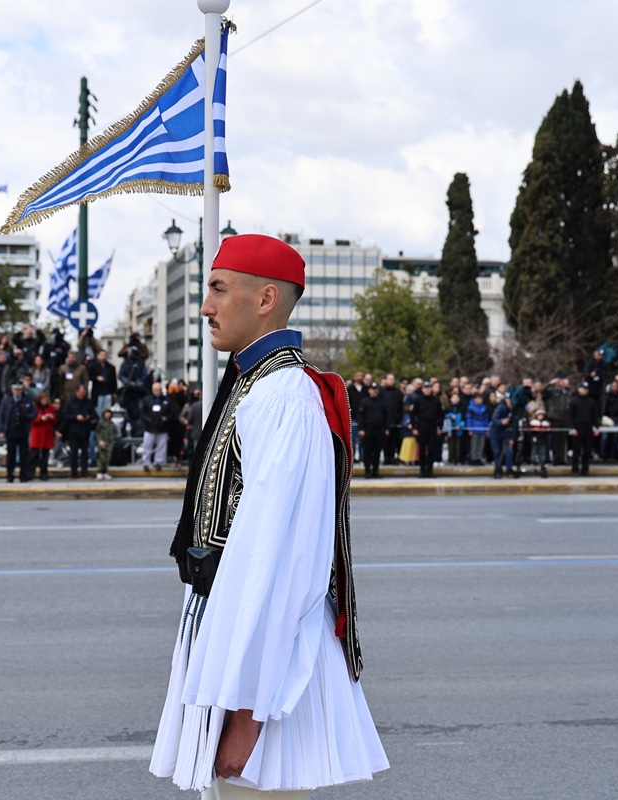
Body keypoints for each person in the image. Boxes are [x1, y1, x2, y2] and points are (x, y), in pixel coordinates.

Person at [152, 233, 387, 796]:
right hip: (234, 659)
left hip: (261, 681)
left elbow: (279, 567)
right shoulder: (253, 384)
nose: (205, 305)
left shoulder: (282, 397)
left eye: (218, 289)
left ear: (264, 300)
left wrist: (246, 713)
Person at [0, 381, 36, 483]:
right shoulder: (6, 400)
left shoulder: (27, 399)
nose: (17, 392)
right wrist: (1, 430)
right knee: (11, 454)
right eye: (15, 390)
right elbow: (1, 416)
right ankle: (10, 474)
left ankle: (24, 474)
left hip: (23, 430)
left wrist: (26, 416)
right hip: (11, 430)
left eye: (19, 390)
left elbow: (34, 413)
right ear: (12, 390)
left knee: (24, 454)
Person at [61, 383, 98, 479]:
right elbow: (64, 415)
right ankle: (74, 472)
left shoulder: (88, 402)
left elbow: (95, 415)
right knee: (73, 452)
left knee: (85, 452)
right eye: (80, 393)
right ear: (76, 392)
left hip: (85, 430)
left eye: (83, 393)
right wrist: (75, 417)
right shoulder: (69, 402)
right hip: (74, 431)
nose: (82, 395)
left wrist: (89, 417)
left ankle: (84, 471)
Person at [568, 381, 601, 476]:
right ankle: (575, 469)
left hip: (588, 427)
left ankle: (585, 469)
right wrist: (573, 428)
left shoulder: (591, 401)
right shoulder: (574, 401)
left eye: (586, 389)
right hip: (578, 427)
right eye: (583, 389)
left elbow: (595, 415)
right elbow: (570, 416)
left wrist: (597, 427)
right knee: (576, 450)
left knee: (587, 450)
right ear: (579, 389)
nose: (584, 391)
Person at [410, 380, 442, 477]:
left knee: (432, 449)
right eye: (425, 388)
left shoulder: (436, 400)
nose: (427, 390)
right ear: (422, 389)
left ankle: (430, 470)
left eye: (429, 388)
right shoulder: (418, 400)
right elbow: (413, 414)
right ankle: (422, 470)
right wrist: (414, 427)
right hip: (422, 425)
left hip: (432, 425)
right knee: (422, 449)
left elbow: (440, 414)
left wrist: (439, 427)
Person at [357, 382, 387, 478]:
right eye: (372, 389)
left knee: (377, 452)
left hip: (379, 430)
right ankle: (367, 471)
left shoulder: (382, 403)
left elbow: (386, 416)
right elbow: (360, 417)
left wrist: (386, 428)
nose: (374, 391)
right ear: (369, 391)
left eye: (376, 390)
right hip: (368, 429)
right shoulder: (364, 402)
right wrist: (361, 428)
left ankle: (375, 471)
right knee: (367, 452)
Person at [141, 380, 171, 473]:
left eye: (159, 389)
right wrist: (147, 418)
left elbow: (172, 412)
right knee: (147, 445)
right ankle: (146, 463)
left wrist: (166, 418)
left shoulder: (166, 399)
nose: (157, 391)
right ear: (152, 390)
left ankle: (158, 462)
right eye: (156, 389)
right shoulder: (147, 399)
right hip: (150, 427)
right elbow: (142, 412)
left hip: (162, 427)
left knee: (161, 446)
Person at [28, 392, 57, 481]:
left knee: (45, 455)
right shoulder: (35, 408)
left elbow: (55, 420)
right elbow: (32, 420)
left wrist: (51, 417)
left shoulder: (50, 408)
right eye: (43, 400)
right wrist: (41, 419)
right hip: (37, 433)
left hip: (47, 433)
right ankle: (30, 473)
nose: (45, 401)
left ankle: (43, 473)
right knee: (34, 454)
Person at [95, 407, 117, 480]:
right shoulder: (101, 422)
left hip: (109, 442)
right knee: (102, 457)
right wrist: (100, 440)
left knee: (108, 457)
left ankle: (105, 471)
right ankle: (100, 471)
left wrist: (113, 439)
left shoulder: (111, 423)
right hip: (102, 441)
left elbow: (115, 432)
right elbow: (97, 432)